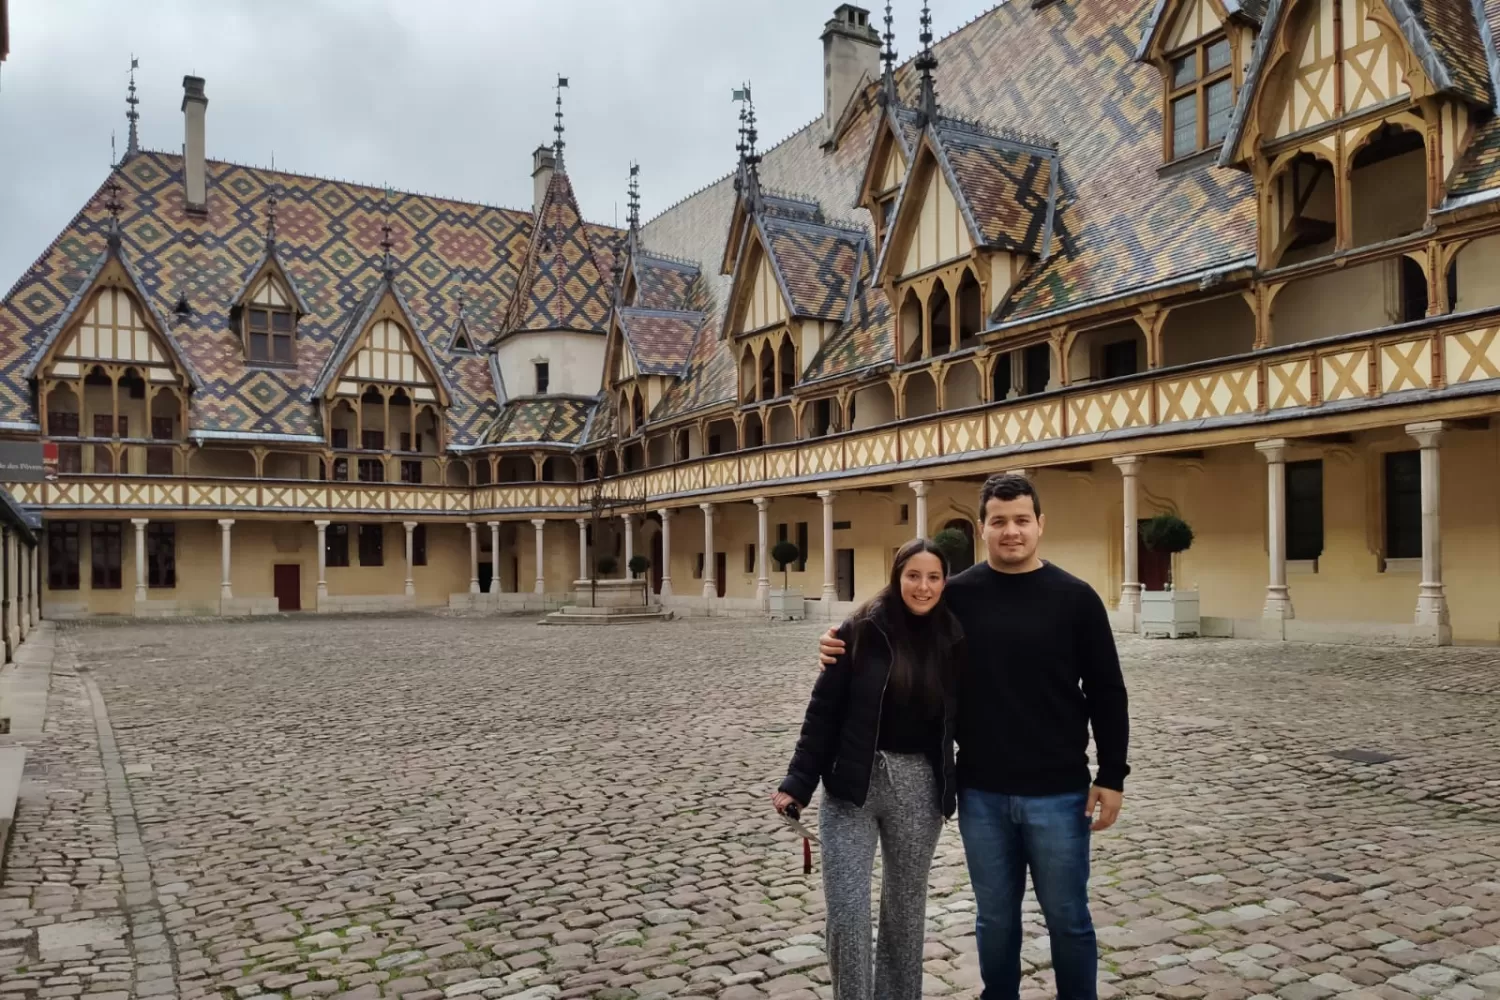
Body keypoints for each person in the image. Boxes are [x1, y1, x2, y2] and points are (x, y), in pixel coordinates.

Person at [818, 472, 1130, 1000]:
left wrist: (1112, 775)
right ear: (982, 528)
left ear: (1040, 525)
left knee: (1068, 919)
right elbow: (890, 619)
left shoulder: (1077, 599)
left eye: (1022, 520)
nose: (1011, 531)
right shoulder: (955, 595)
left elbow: (1107, 690)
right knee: (995, 920)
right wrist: (836, 642)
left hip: (1059, 790)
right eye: (999, 521)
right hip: (981, 789)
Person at [774, 538, 965, 1000]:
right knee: (847, 911)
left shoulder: (955, 637)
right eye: (913, 576)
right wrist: (797, 783)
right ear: (896, 576)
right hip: (850, 786)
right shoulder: (858, 630)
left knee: (904, 911)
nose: (923, 586)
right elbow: (823, 713)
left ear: (944, 582)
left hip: (918, 786)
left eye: (934, 577)